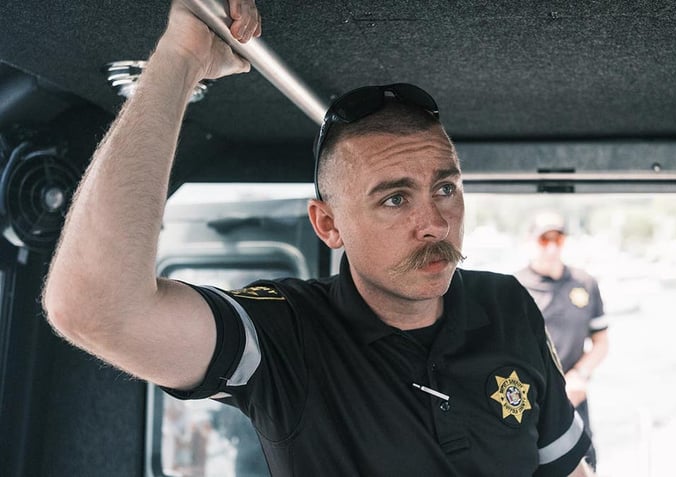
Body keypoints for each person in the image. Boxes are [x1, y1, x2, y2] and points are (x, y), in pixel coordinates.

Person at [41, 1, 594, 475]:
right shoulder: (288, 335)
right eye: (395, 198)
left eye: (445, 188)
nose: (434, 222)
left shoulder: (507, 306)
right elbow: (94, 309)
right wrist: (180, 57)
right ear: (328, 225)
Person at [515, 211, 609, 470]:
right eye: (545, 240)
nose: (553, 247)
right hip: (531, 398)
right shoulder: (515, 287)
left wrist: (580, 373)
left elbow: (601, 341)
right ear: (531, 240)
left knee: (583, 462)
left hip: (574, 395)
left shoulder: (585, 283)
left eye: (559, 239)